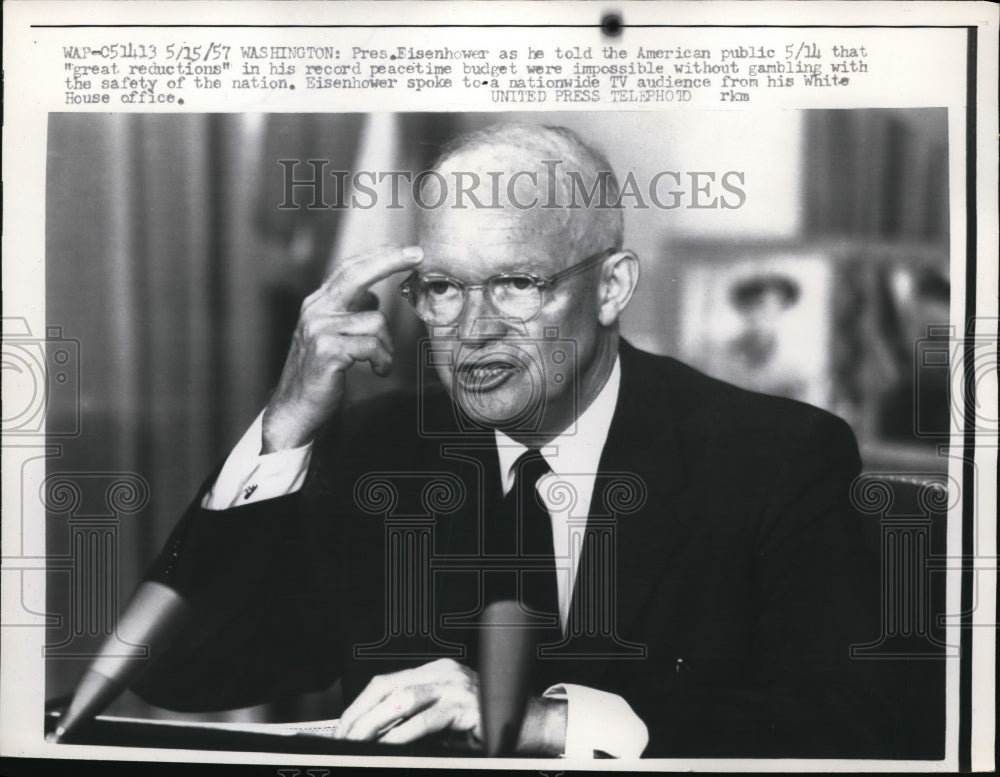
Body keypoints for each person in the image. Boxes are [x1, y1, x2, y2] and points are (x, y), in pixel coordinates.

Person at [134, 123, 896, 758]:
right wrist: (289, 422)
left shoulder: (774, 456)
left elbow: (860, 727)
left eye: (517, 284)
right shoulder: (377, 450)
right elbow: (180, 670)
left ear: (611, 287)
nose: (473, 328)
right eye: (443, 288)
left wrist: (545, 721)